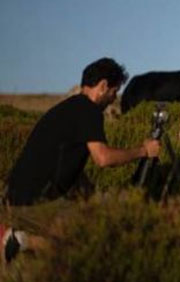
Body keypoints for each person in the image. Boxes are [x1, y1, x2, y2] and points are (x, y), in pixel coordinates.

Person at [1, 57, 161, 263]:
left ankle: (21, 239)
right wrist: (144, 151)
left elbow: (63, 163)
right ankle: (20, 240)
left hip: (13, 199)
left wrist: (88, 197)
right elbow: (103, 158)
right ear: (103, 86)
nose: (114, 98)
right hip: (32, 204)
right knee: (89, 241)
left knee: (89, 218)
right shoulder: (89, 111)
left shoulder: (69, 108)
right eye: (114, 92)